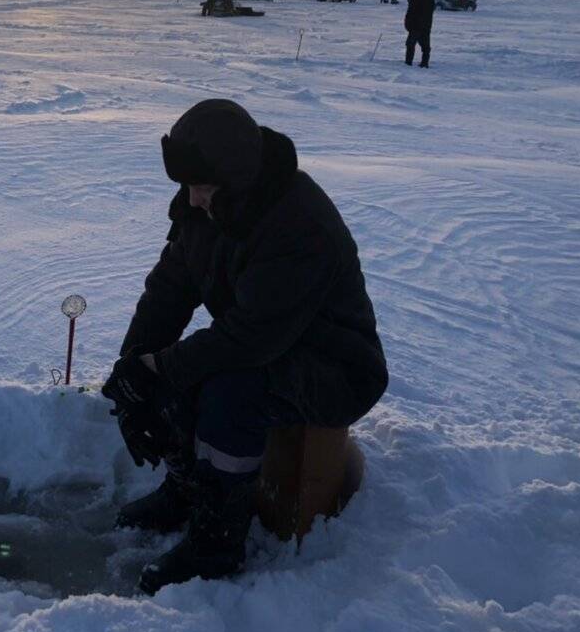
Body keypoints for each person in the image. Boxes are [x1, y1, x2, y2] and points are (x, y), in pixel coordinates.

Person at [102, 99, 388, 595]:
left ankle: (217, 542)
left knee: (230, 389)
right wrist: (131, 371)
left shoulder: (298, 224)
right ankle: (188, 491)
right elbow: (168, 292)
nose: (190, 200)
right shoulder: (209, 210)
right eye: (185, 187)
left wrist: (160, 368)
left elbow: (251, 339)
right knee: (181, 371)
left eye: (200, 188)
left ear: (235, 181)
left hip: (337, 369)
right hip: (268, 344)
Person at [404, 0, 435, 67]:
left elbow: (411, 10)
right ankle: (425, 63)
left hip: (415, 25)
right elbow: (432, 8)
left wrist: (408, 23)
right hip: (426, 24)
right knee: (425, 46)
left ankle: (408, 62)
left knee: (410, 44)